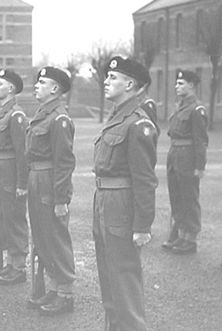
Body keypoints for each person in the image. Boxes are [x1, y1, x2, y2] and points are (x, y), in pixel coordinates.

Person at [93, 56, 158, 331]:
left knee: (124, 281)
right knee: (109, 280)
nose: (106, 82)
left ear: (130, 84)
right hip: (104, 202)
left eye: (112, 78)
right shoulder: (117, 116)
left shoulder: (137, 122)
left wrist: (143, 225)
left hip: (120, 205)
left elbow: (145, 179)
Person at [25, 67, 76, 315]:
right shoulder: (42, 114)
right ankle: (55, 288)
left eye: (42, 82)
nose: (37, 85)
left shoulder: (59, 118)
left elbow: (64, 162)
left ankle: (66, 294)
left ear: (55, 89)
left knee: (55, 237)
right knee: (42, 237)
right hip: (36, 178)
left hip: (49, 180)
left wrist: (60, 199)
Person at [0, 69, 29, 285]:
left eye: (0, 83)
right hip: (0, 168)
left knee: (15, 217)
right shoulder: (2, 112)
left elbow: (23, 152)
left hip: (12, 170)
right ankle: (10, 263)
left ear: (11, 88)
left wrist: (23, 183)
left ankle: (19, 266)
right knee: (4, 216)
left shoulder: (16, 115)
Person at [162, 70, 208, 254]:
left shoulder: (197, 109)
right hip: (174, 154)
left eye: (181, 83)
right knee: (176, 196)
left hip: (188, 156)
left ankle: (191, 238)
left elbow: (201, 140)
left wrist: (200, 166)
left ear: (191, 86)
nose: (177, 86)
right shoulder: (179, 106)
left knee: (189, 197)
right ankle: (181, 234)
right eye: (177, 83)